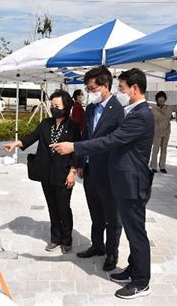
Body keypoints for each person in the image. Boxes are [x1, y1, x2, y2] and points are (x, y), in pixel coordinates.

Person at [52, 68, 154, 300]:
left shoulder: (140, 115)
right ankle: (133, 269)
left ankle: (142, 282)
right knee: (131, 230)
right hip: (123, 180)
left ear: (135, 89)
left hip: (132, 183)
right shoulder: (133, 111)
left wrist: (74, 147)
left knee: (136, 233)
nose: (121, 91)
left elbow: (112, 140)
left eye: (124, 88)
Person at [3, 90, 81, 254]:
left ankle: (67, 240)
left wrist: (72, 171)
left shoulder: (73, 126)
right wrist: (15, 144)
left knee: (63, 208)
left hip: (64, 173)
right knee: (52, 207)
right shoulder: (46, 124)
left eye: (57, 106)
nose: (53, 108)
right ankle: (55, 238)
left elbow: (77, 151)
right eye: (52, 105)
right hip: (47, 173)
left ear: (66, 106)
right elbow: (30, 138)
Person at [75, 66, 124, 272]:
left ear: (105, 86)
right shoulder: (91, 109)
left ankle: (112, 253)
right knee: (95, 212)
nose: (89, 92)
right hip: (89, 170)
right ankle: (97, 245)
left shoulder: (118, 110)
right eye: (87, 88)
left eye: (92, 88)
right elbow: (85, 136)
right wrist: (79, 162)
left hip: (108, 172)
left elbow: (119, 143)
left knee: (112, 215)